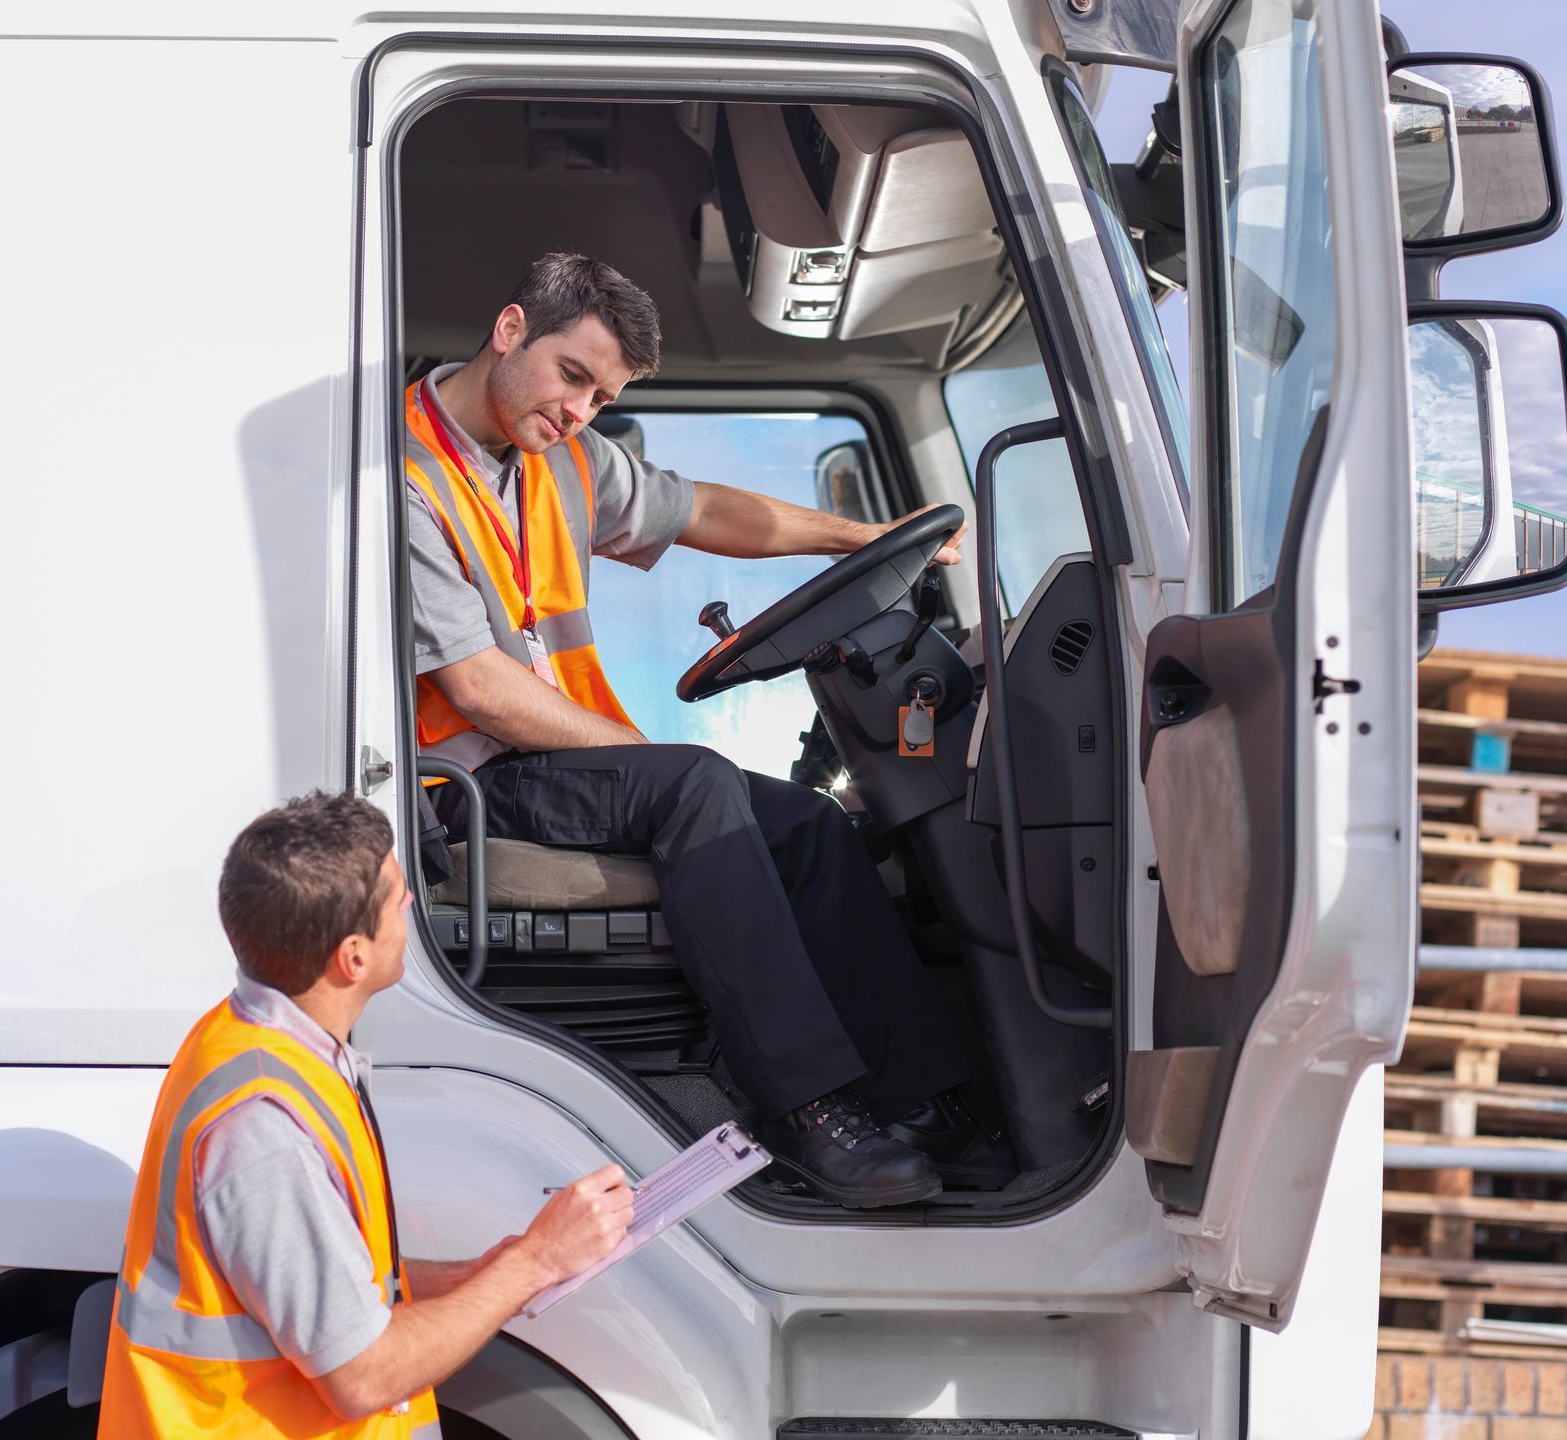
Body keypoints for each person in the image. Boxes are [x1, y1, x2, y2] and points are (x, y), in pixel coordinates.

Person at [407, 250, 1005, 1209]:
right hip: (469, 785)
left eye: (601, 398)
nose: (579, 412)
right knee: (695, 785)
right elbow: (481, 690)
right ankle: (807, 1112)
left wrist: (862, 536)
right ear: (511, 329)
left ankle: (928, 1105)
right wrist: (656, 757)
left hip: (556, 763)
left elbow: (706, 512)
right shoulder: (407, 476)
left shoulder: (561, 458)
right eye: (572, 377)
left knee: (809, 824)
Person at [98, 792, 634, 1437]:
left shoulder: (258, 1045)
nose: (411, 903)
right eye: (398, 896)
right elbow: (363, 1375)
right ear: (353, 957)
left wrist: (476, 1276)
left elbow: (320, 1287)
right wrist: (537, 1263)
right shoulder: (267, 1131)